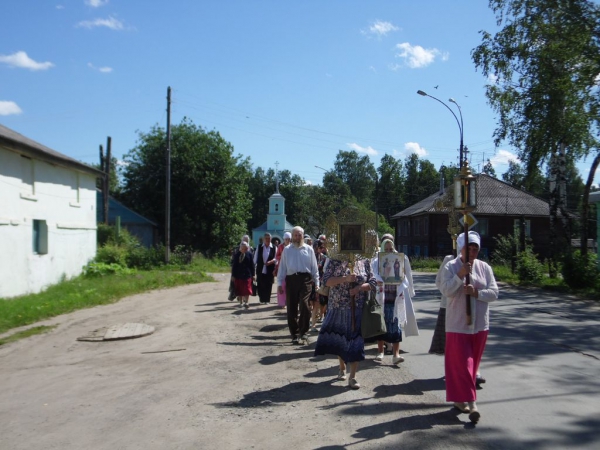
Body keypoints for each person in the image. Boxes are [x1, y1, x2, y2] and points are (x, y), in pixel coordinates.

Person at [439, 231, 498, 423]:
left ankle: (458, 399)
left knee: (472, 367)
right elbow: (445, 290)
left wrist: (477, 293)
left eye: (475, 249)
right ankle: (472, 403)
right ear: (461, 249)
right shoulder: (451, 266)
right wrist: (459, 275)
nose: (472, 252)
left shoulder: (484, 267)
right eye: (468, 248)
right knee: (463, 365)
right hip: (457, 325)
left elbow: (494, 292)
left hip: (480, 325)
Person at [314, 257, 375, 389]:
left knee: (355, 341)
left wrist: (359, 288)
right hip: (338, 306)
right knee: (341, 339)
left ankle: (352, 376)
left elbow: (373, 282)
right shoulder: (335, 260)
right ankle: (342, 367)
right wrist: (345, 279)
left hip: (357, 308)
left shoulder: (364, 261)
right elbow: (326, 281)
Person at [371, 238, 418, 364]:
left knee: (396, 325)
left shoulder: (400, 259)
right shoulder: (376, 261)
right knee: (381, 325)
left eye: (390, 249)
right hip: (382, 297)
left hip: (395, 295)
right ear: (381, 249)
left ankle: (396, 354)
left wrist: (402, 280)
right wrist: (378, 279)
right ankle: (380, 351)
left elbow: (406, 275)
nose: (388, 251)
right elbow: (373, 275)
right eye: (385, 249)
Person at [277, 226, 320, 344]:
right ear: (292, 236)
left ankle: (304, 332)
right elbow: (282, 268)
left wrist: (317, 283)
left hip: (305, 279)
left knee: (305, 305)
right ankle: (294, 334)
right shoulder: (287, 250)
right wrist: (279, 283)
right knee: (291, 307)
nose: (297, 237)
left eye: (299, 235)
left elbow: (314, 268)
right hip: (291, 279)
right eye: (295, 235)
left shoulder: (309, 249)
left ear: (303, 236)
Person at [231, 241, 256, 309]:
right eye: (242, 248)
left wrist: (253, 275)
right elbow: (234, 266)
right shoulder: (237, 255)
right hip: (238, 275)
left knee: (247, 289)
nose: (243, 250)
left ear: (247, 248)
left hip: (247, 274)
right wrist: (233, 275)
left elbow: (252, 265)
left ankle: (246, 302)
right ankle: (241, 302)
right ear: (240, 248)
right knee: (239, 289)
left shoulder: (249, 254)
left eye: (245, 249)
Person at [254, 233, 277, 304]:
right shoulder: (259, 246)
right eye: (266, 238)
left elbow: (276, 258)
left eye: (269, 238)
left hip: (270, 269)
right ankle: (261, 298)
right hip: (260, 268)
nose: (267, 240)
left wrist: (272, 261)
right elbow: (255, 257)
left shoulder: (274, 247)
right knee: (260, 284)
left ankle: (267, 300)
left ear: (271, 239)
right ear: (264, 239)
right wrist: (253, 267)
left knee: (268, 284)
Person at [274, 232, 291, 309]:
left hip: (290, 268)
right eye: (286, 239)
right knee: (282, 285)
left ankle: (288, 301)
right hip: (282, 267)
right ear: (284, 239)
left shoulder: (292, 247)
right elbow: (277, 256)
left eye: (288, 239)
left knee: (289, 286)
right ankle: (281, 302)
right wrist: (283, 256)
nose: (287, 241)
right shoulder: (280, 246)